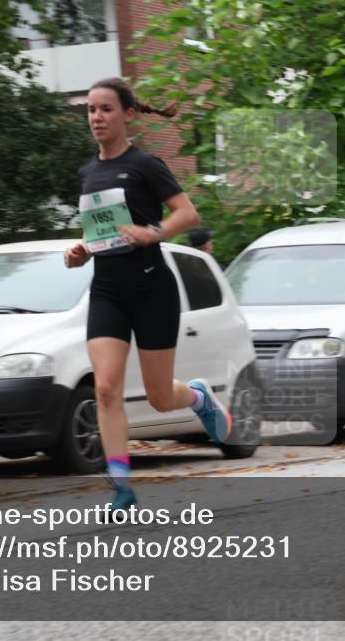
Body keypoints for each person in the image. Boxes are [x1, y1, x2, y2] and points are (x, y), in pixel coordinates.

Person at [64, 78, 233, 511]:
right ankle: (121, 487)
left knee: (160, 397)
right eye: (90, 110)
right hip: (106, 289)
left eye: (105, 109)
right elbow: (99, 233)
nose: (96, 117)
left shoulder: (145, 165)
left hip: (152, 288)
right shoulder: (87, 172)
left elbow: (187, 214)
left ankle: (197, 398)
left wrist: (151, 232)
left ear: (128, 114)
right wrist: (80, 252)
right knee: (105, 388)